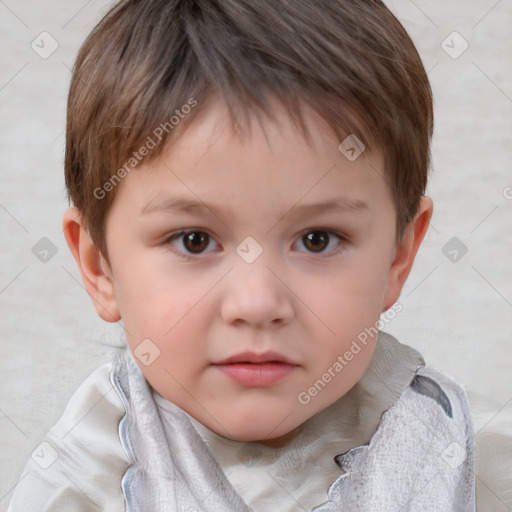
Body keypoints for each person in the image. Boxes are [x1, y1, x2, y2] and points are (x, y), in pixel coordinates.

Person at [8, 0, 476, 510]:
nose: (257, 303)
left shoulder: (461, 450)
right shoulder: (82, 482)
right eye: (194, 240)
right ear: (101, 268)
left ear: (397, 257)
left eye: (317, 239)